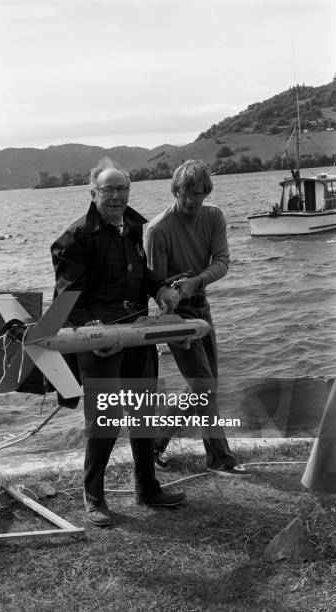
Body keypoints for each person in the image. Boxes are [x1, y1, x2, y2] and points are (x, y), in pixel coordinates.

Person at [51, 157, 186, 527]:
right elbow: (66, 299)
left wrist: (159, 288)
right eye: (108, 189)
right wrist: (93, 332)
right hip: (98, 342)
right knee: (105, 422)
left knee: (143, 415)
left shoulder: (132, 229)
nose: (115, 195)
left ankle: (148, 489)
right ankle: (93, 497)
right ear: (93, 192)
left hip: (137, 336)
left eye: (121, 189)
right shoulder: (74, 239)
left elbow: (141, 276)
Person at [145, 159, 248, 476]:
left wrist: (195, 282)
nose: (191, 201)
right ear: (175, 189)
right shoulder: (158, 229)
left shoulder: (214, 216)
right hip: (174, 315)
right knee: (204, 387)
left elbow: (222, 261)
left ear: (206, 192)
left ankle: (153, 444)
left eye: (198, 194)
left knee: (206, 387)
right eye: (185, 193)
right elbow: (154, 284)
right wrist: (170, 292)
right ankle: (220, 458)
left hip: (202, 305)